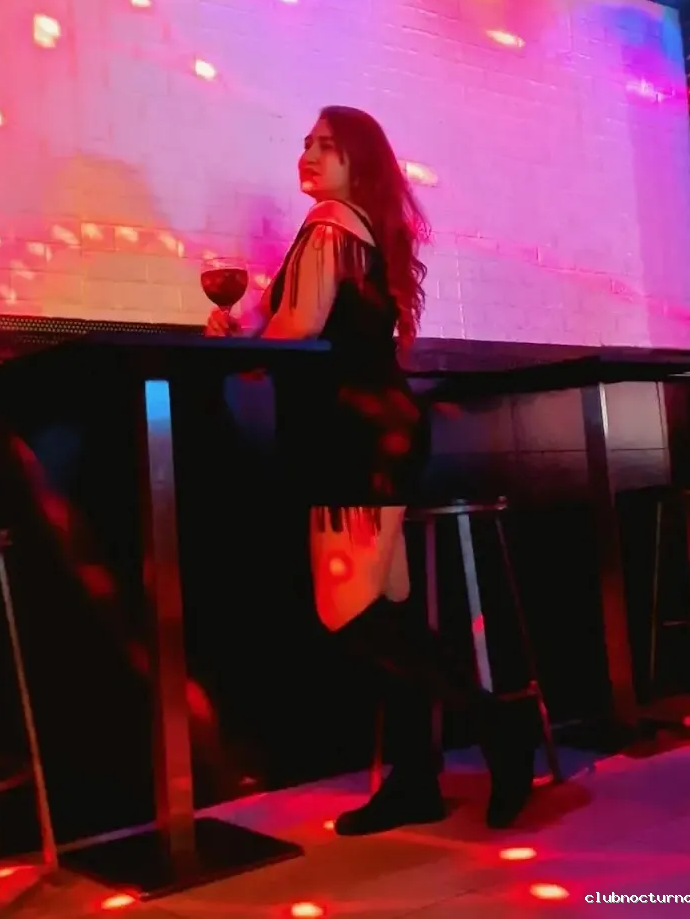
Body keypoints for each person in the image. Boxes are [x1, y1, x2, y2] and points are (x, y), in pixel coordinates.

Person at [206, 106, 538, 834]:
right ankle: (417, 779)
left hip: (352, 439)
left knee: (349, 612)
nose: (309, 153)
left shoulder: (329, 221)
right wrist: (248, 328)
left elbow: (298, 327)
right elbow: (298, 325)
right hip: (376, 431)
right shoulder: (355, 230)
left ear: (358, 161)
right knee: (388, 609)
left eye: (327, 145)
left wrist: (241, 343)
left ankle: (499, 726)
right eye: (307, 143)